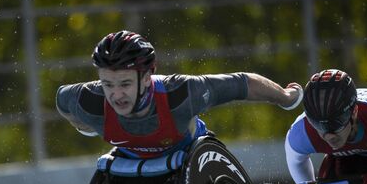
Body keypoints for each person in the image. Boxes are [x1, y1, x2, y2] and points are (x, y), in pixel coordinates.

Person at [56, 30, 303, 161]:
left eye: (125, 84)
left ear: (146, 77)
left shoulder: (180, 93)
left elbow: (243, 83)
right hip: (128, 161)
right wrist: (83, 125)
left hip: (186, 155)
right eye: (107, 84)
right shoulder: (87, 101)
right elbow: (61, 100)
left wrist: (285, 97)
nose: (115, 94)